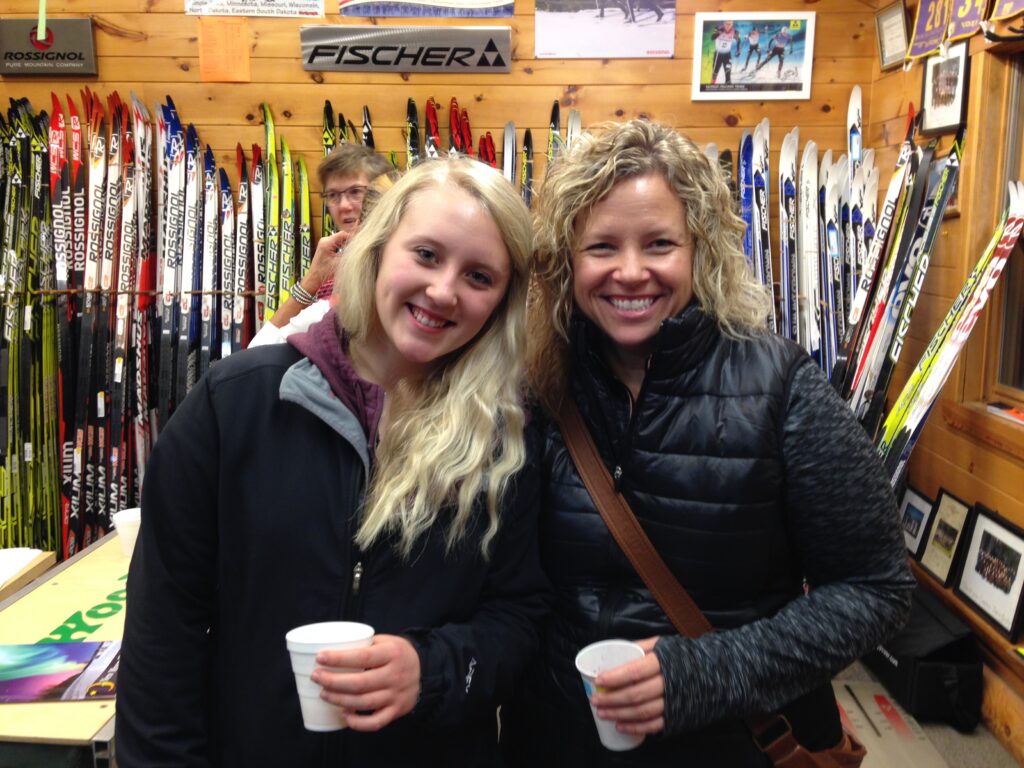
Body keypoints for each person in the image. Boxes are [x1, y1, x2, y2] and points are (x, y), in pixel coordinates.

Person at [501, 120, 914, 765]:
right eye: (602, 246)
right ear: (567, 261)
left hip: (731, 745)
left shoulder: (780, 388)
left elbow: (877, 587)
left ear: (701, 250)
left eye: (659, 243)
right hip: (557, 740)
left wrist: (709, 672)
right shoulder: (536, 388)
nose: (630, 272)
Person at [116, 157, 548, 767]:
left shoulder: (505, 437)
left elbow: (519, 618)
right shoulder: (235, 404)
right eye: (425, 255)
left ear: (502, 300)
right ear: (376, 249)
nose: (444, 290)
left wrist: (432, 670)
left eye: (479, 276)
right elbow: (164, 630)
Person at [250, 142, 393, 346]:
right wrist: (313, 279)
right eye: (333, 195)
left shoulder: (386, 267)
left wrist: (313, 281)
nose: (343, 205)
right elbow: (260, 352)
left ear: (379, 194)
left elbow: (259, 349)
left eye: (355, 192)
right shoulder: (335, 265)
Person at [710, 20, 739, 85]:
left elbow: (738, 40)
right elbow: (712, 38)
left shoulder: (735, 32)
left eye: (730, 24)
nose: (728, 26)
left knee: (728, 75)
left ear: (732, 24)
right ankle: (711, 86)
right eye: (726, 24)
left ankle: (728, 86)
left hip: (727, 55)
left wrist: (738, 50)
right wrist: (719, 33)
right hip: (718, 55)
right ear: (724, 23)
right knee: (715, 73)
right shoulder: (718, 28)